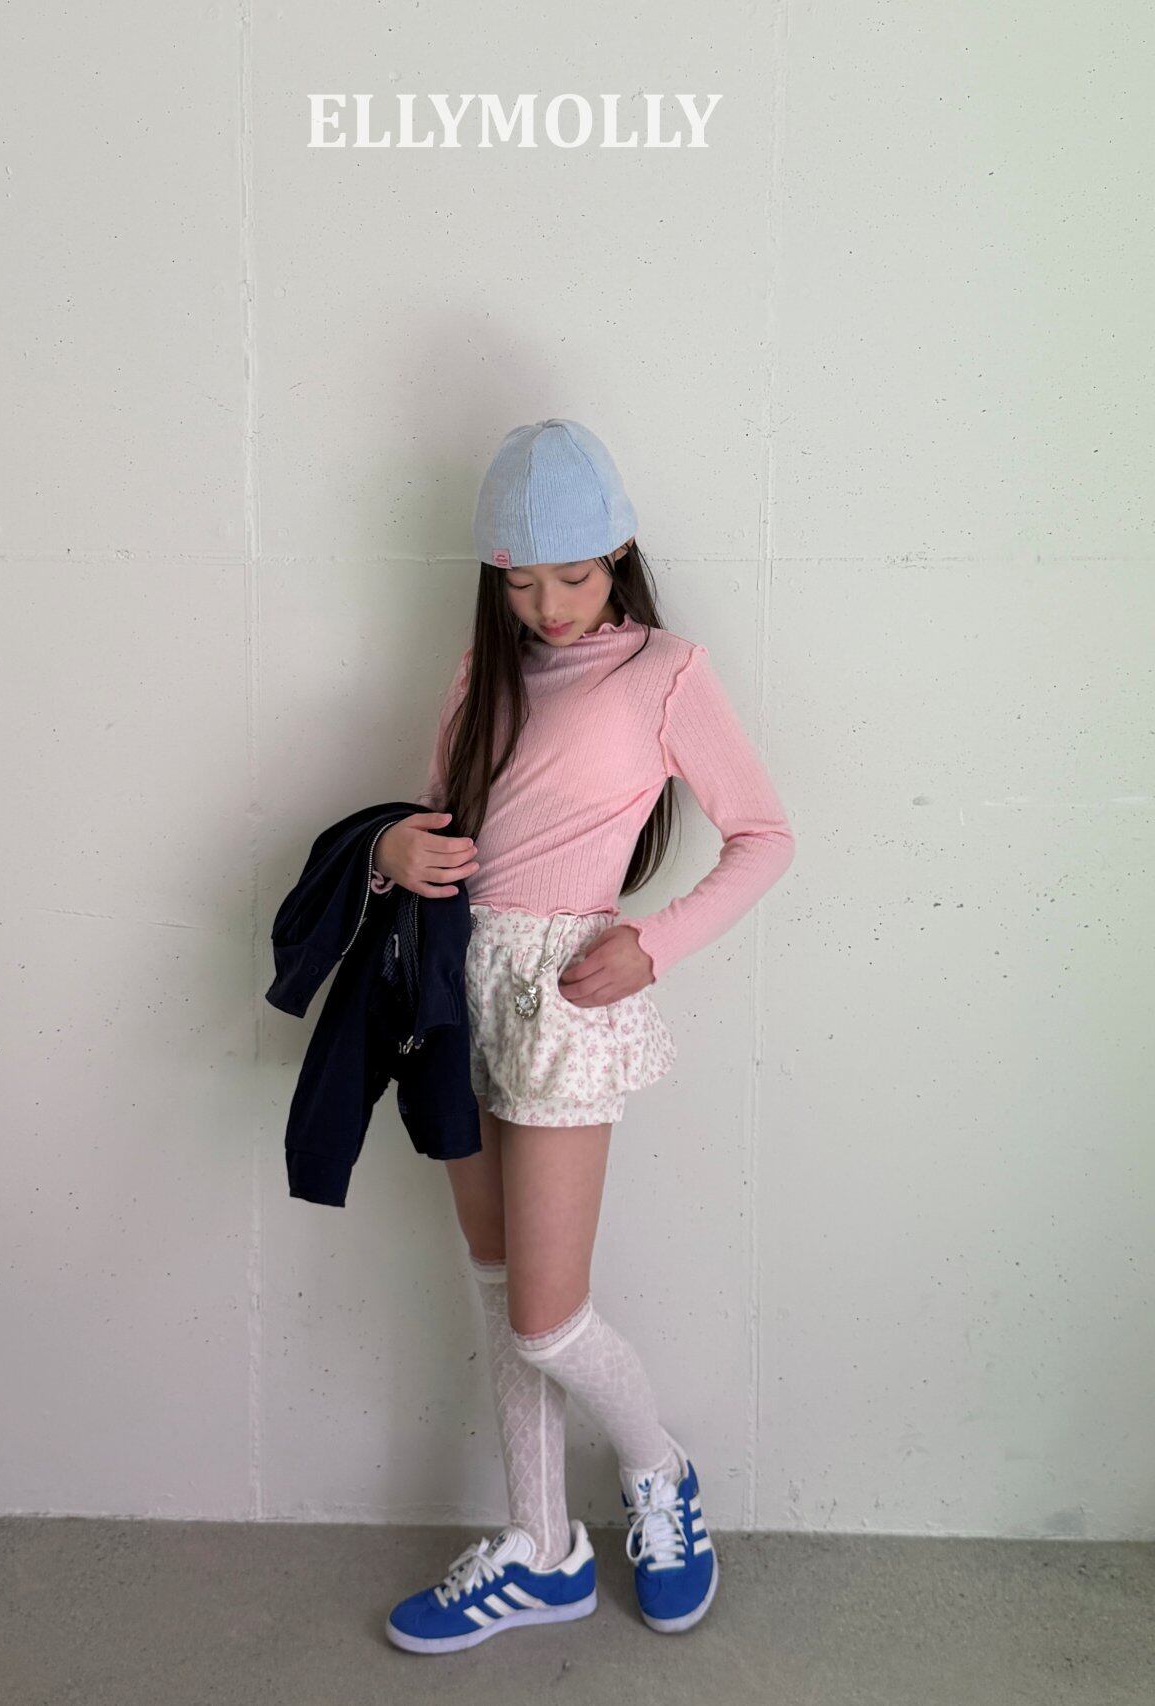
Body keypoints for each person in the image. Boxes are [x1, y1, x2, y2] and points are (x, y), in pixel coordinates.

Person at [376, 418, 797, 1653]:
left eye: (571, 575)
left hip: (561, 999)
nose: (548, 607)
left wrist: (650, 944)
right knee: (497, 1280)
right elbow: (446, 827)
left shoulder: (663, 670)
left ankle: (658, 1469)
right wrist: (394, 846)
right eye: (519, 582)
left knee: (546, 1316)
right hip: (456, 987)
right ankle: (543, 1548)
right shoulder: (482, 673)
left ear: (616, 555)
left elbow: (764, 835)